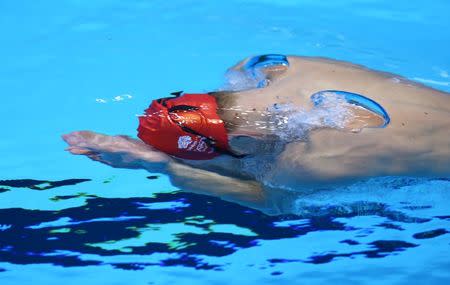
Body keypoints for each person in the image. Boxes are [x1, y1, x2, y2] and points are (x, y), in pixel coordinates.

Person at [63, 54, 450, 214]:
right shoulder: (273, 66)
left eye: (234, 153)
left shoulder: (311, 161)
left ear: (247, 142)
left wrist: (165, 166)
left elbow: (274, 202)